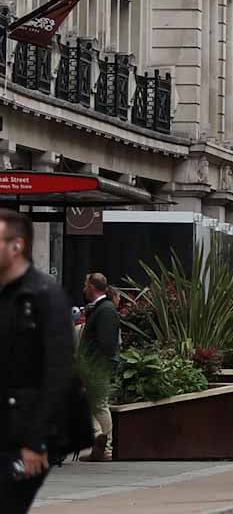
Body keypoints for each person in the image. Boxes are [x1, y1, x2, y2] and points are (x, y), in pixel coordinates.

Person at [2, 209, 76, 513]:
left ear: (16, 246)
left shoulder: (45, 296)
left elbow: (58, 373)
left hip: (25, 433)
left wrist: (35, 441)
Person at [77, 274, 118, 462]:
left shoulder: (106, 310)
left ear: (93, 287)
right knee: (92, 405)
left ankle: (104, 444)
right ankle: (101, 446)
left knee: (96, 405)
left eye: (85, 285)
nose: (83, 288)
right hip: (92, 367)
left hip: (96, 368)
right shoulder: (99, 309)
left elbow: (106, 344)